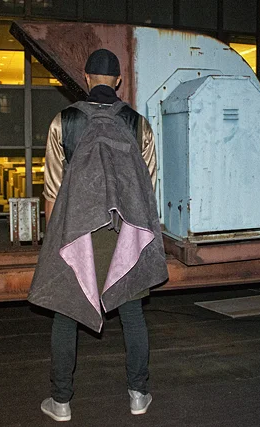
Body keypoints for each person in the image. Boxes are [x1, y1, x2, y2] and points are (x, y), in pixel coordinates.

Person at [28, 49, 169, 422]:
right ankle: (138, 394)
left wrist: (53, 244)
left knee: (66, 313)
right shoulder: (139, 125)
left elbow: (52, 193)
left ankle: (61, 402)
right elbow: (147, 190)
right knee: (133, 313)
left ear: (87, 77)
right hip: (125, 235)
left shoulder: (64, 121)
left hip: (78, 233)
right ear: (117, 81)